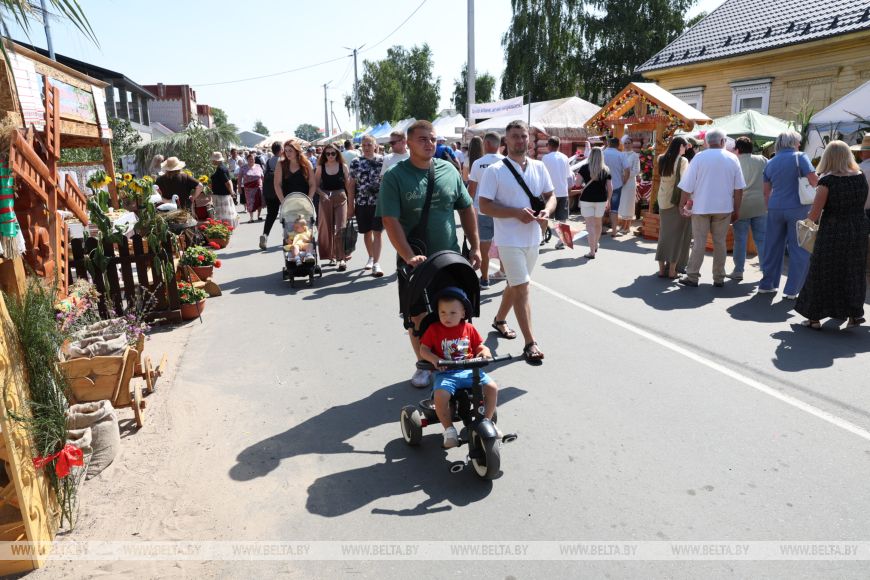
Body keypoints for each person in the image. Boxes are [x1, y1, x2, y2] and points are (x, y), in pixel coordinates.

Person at [377, 120, 480, 388]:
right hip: (416, 261)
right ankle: (425, 365)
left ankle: (455, 362)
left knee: (454, 312)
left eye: (433, 139)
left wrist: (476, 246)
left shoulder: (449, 170)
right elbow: (390, 220)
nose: (429, 143)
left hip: (450, 259)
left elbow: (466, 209)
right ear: (408, 143)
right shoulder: (395, 176)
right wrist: (408, 255)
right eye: (422, 139)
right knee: (418, 317)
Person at [478, 120, 555, 365]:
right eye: (514, 137)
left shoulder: (539, 167)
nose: (520, 141)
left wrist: (547, 212)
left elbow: (550, 196)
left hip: (533, 238)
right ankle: (530, 342)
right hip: (508, 240)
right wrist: (514, 212)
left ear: (528, 140)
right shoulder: (495, 170)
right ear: (506, 141)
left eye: (523, 136)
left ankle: (499, 320)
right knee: (522, 287)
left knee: (514, 284)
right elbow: (484, 205)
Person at [795, 140, 869, 329]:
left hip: (833, 230)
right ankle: (853, 314)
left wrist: (805, 223)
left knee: (822, 271)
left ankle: (814, 318)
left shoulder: (827, 181)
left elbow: (814, 214)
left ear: (828, 157)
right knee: (852, 271)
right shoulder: (860, 177)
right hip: (858, 229)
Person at [419, 287, 499, 448]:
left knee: (492, 387)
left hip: (470, 371)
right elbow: (424, 350)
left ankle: (488, 421)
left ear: (463, 313)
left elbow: (480, 346)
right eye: (443, 312)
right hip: (446, 372)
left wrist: (485, 351)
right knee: (440, 396)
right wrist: (435, 359)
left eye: (452, 313)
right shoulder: (434, 329)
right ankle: (449, 430)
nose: (447, 317)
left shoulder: (468, 328)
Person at [677, 129, 746, 288]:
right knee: (720, 242)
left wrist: (682, 204)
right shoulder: (732, 159)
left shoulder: (699, 158)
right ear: (722, 142)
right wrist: (737, 209)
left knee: (699, 242)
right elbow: (738, 189)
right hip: (724, 207)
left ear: (707, 142)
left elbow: (687, 186)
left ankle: (693, 276)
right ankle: (719, 277)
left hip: (701, 207)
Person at [757, 130, 820, 298]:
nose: (799, 144)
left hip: (775, 207)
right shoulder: (800, 157)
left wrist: (768, 208)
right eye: (798, 141)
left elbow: (766, 192)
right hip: (798, 207)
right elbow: (814, 181)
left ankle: (766, 284)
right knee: (799, 248)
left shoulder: (770, 162)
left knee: (772, 247)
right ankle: (792, 290)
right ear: (793, 142)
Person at [728, 136, 768, 280]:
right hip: (761, 204)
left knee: (740, 240)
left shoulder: (734, 162)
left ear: (737, 149)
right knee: (761, 239)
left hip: (741, 205)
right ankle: (765, 270)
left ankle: (738, 271)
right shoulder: (762, 160)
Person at [469, 132, 504, 287]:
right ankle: (507, 274)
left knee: (484, 246)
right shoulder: (508, 162)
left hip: (484, 210)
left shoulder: (478, 163)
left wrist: (467, 210)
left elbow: (471, 190)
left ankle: (484, 279)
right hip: (504, 211)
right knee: (506, 245)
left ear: (487, 144)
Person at [654, 137, 691, 279]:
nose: (686, 149)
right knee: (676, 237)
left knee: (664, 235)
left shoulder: (661, 158)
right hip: (675, 200)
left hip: (662, 198)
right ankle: (672, 271)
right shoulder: (682, 161)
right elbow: (685, 182)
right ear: (680, 146)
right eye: (685, 147)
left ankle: (662, 269)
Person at [348, 135, 385, 277]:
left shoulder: (383, 160)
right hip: (362, 203)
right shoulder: (356, 162)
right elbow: (351, 185)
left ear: (375, 145)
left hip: (379, 203)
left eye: (369, 144)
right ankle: (370, 257)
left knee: (377, 232)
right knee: (367, 232)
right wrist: (350, 206)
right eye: (364, 145)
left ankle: (376, 263)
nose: (367, 147)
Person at [315, 143, 352, 270]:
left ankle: (342, 258)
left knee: (341, 228)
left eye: (333, 153)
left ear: (337, 153)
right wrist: (321, 194)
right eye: (327, 153)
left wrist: (352, 202)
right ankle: (331, 256)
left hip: (341, 197)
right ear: (324, 155)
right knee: (327, 229)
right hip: (325, 198)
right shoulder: (320, 167)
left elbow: (348, 186)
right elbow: (315, 186)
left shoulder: (343, 166)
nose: (330, 156)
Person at [575, 147, 611, 259]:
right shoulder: (606, 170)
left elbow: (577, 183)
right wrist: (608, 200)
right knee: (598, 224)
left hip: (587, 199)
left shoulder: (584, 168)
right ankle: (595, 245)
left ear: (590, 156)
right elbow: (610, 188)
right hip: (601, 199)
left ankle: (591, 252)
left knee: (589, 226)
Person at [541, 136, 573, 249]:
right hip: (563, 191)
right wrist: (569, 189)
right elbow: (569, 176)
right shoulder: (565, 157)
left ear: (549, 145)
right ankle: (562, 241)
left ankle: (542, 237)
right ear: (558, 145)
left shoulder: (545, 158)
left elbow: (542, 176)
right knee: (562, 218)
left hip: (549, 192)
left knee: (545, 216)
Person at [259, 142, 283, 250]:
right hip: (281, 191)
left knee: (271, 215)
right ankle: (288, 237)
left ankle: (265, 235)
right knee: (286, 215)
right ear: (281, 149)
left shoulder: (269, 161)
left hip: (270, 192)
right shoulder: (282, 161)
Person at [602, 137, 625, 236]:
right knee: (614, 209)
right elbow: (627, 170)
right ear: (618, 145)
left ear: (609, 143)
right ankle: (614, 231)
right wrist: (623, 182)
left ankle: (602, 229)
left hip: (602, 185)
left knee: (601, 208)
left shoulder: (602, 153)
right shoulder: (621, 155)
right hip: (616, 185)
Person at [618, 135, 641, 234]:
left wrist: (626, 175)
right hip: (621, 182)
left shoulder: (635, 156)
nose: (627, 145)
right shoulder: (621, 154)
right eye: (625, 143)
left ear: (632, 144)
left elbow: (636, 171)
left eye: (628, 143)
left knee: (629, 204)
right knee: (622, 203)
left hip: (630, 182)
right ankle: (623, 225)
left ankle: (627, 226)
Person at [209, 152, 238, 228]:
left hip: (221, 196)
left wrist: (231, 192)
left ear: (216, 160)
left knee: (223, 214)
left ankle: (224, 228)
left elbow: (227, 182)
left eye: (213, 160)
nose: (212, 161)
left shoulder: (221, 169)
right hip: (221, 194)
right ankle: (224, 228)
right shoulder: (222, 168)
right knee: (224, 214)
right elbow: (229, 180)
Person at [238, 152, 264, 222]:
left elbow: (262, 177)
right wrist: (239, 188)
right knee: (250, 202)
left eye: (252, 159)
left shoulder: (258, 166)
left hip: (258, 187)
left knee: (259, 202)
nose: (251, 160)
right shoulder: (243, 168)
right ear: (247, 160)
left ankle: (259, 216)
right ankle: (251, 218)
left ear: (254, 159)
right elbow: (239, 178)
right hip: (248, 189)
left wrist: (265, 186)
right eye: (249, 159)